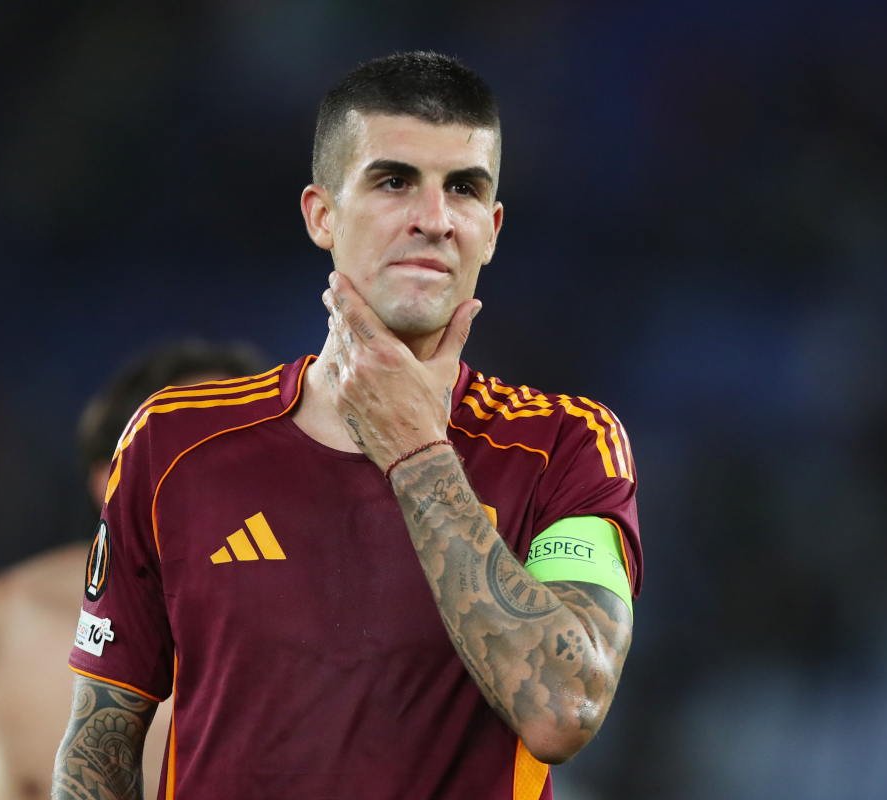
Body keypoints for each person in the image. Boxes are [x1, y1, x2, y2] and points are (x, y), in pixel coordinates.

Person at [54, 52, 642, 800]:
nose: (433, 219)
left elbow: (565, 708)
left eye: (463, 189)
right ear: (321, 215)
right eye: (394, 181)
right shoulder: (175, 444)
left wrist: (417, 451)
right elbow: (97, 751)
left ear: (490, 231)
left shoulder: (566, 447)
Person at [0, 342, 264, 800]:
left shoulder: (318, 641)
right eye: (195, 450)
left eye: (248, 450)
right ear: (111, 481)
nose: (227, 478)